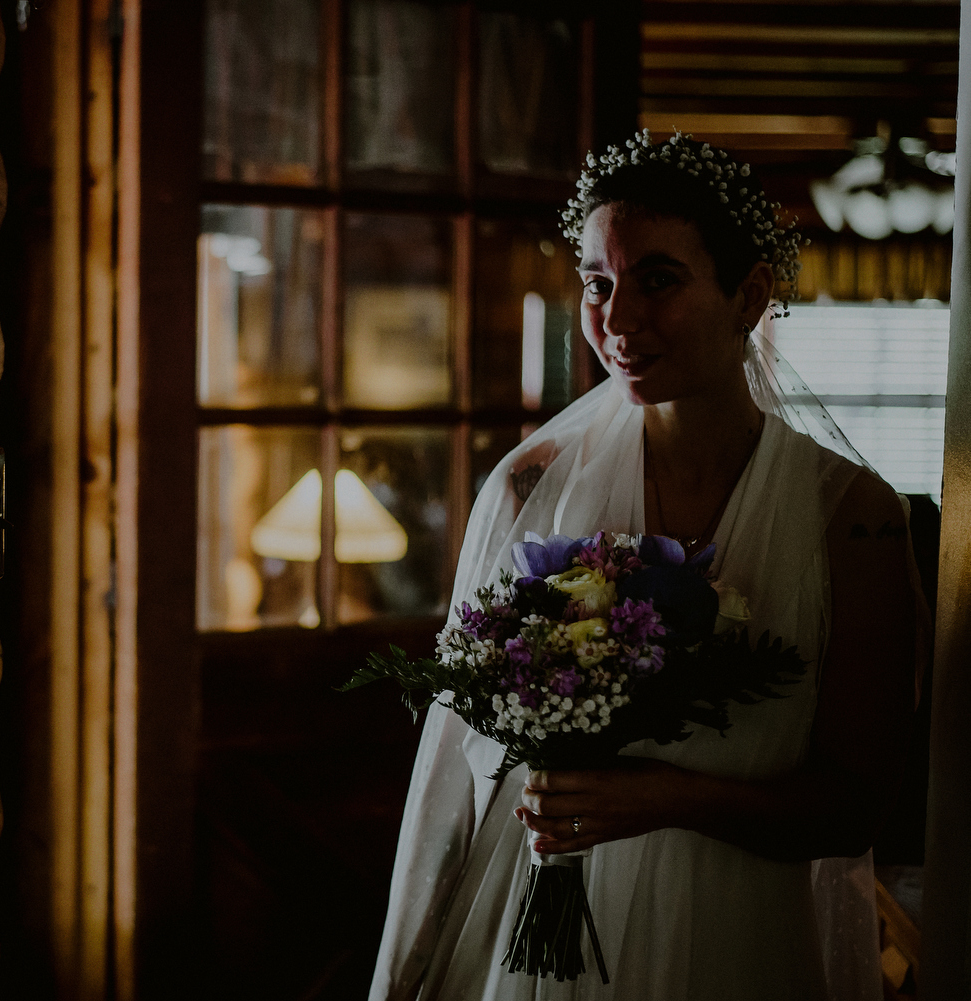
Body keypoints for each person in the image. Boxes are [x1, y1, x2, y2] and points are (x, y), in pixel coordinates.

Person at [369, 131, 922, 1001]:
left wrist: (665, 798)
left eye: (657, 280)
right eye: (597, 284)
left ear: (749, 294)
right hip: (538, 946)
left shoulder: (853, 521)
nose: (617, 321)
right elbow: (452, 781)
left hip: (737, 942)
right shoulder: (531, 487)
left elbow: (858, 806)